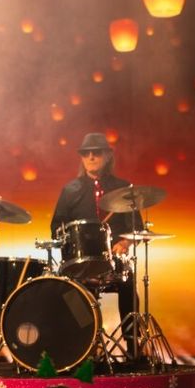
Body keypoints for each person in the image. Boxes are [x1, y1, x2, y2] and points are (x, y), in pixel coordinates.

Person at [49, 131, 142, 332]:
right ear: (82, 158)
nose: (91, 157)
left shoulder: (123, 188)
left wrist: (125, 242)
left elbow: (137, 228)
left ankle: (133, 342)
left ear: (107, 156)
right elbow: (56, 228)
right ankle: (86, 340)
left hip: (114, 261)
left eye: (96, 152)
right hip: (80, 263)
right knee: (69, 290)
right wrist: (70, 244)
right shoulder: (70, 190)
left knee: (128, 285)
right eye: (86, 153)